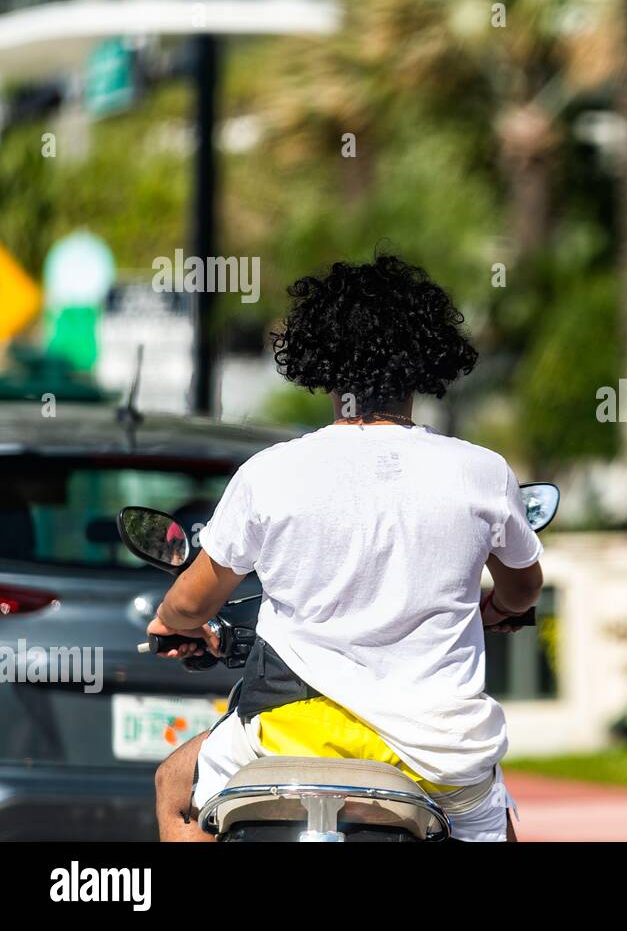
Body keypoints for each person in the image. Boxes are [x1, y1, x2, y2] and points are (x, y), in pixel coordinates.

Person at [150, 254, 543, 842]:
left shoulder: (272, 473)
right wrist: (502, 610)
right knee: (495, 826)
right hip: (442, 756)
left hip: (291, 736)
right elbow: (523, 584)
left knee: (174, 789)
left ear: (320, 360)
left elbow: (191, 602)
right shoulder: (480, 472)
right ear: (427, 356)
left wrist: (170, 622)